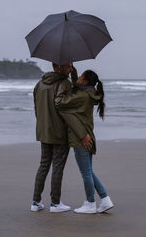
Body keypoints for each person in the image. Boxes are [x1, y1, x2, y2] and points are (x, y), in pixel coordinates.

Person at [31, 62, 92, 213]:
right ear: (57, 67)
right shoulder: (64, 83)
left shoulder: (39, 84)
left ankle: (35, 201)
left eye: (72, 66)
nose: (70, 69)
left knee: (44, 165)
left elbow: (36, 108)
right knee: (57, 167)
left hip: (43, 131)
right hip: (59, 132)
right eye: (68, 66)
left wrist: (42, 126)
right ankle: (55, 203)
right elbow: (68, 104)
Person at [55, 68, 114, 214]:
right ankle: (105, 199)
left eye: (81, 76)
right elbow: (77, 87)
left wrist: (62, 87)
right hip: (88, 135)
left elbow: (60, 103)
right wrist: (74, 72)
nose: (79, 77)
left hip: (80, 137)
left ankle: (90, 203)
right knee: (88, 170)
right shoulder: (90, 92)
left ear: (86, 82)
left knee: (86, 172)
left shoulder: (81, 96)